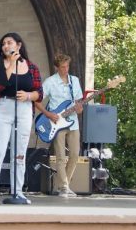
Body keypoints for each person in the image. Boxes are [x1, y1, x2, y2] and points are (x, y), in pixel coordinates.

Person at [0, 32, 43, 202]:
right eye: (3, 44)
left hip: (23, 109)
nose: (5, 46)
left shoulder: (32, 67)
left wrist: (29, 96)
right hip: (3, 108)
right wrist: (11, 64)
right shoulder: (0, 64)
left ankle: (18, 192)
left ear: (19, 45)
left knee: (20, 152)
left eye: (9, 42)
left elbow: (40, 93)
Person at [38, 53, 83, 198]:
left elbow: (79, 104)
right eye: (63, 67)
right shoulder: (50, 82)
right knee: (60, 157)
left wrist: (80, 108)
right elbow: (37, 100)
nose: (66, 69)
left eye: (67, 66)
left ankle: (63, 185)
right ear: (57, 67)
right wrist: (48, 114)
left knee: (75, 154)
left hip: (73, 122)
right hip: (56, 123)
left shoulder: (74, 80)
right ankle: (64, 187)